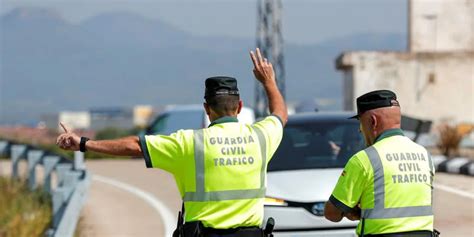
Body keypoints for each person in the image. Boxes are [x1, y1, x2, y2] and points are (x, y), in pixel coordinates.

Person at [56, 48, 288, 237]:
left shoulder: (189, 143)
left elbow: (135, 145)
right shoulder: (261, 137)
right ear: (239, 107)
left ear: (207, 109)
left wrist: (84, 143)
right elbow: (279, 114)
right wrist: (268, 81)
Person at [324, 90, 437, 237]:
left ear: (373, 121)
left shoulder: (365, 159)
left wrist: (352, 211)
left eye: (360, 122)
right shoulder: (424, 155)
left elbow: (332, 213)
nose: (360, 129)